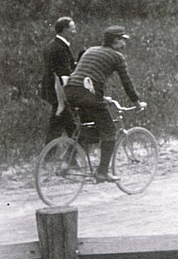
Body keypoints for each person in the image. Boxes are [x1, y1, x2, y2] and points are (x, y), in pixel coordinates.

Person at [64, 25, 146, 183]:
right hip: (88, 94)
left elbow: (86, 75)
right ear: (115, 40)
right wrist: (136, 102)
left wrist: (101, 97)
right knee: (110, 131)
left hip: (71, 91)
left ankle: (70, 158)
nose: (124, 44)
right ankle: (102, 172)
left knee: (87, 128)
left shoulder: (91, 50)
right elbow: (126, 82)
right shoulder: (117, 56)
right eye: (122, 40)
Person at [40, 16, 78, 143]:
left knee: (63, 124)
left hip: (53, 91)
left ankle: (52, 152)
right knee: (68, 125)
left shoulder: (52, 45)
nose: (75, 32)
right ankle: (72, 151)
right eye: (72, 29)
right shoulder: (59, 48)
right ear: (64, 30)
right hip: (60, 92)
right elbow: (64, 73)